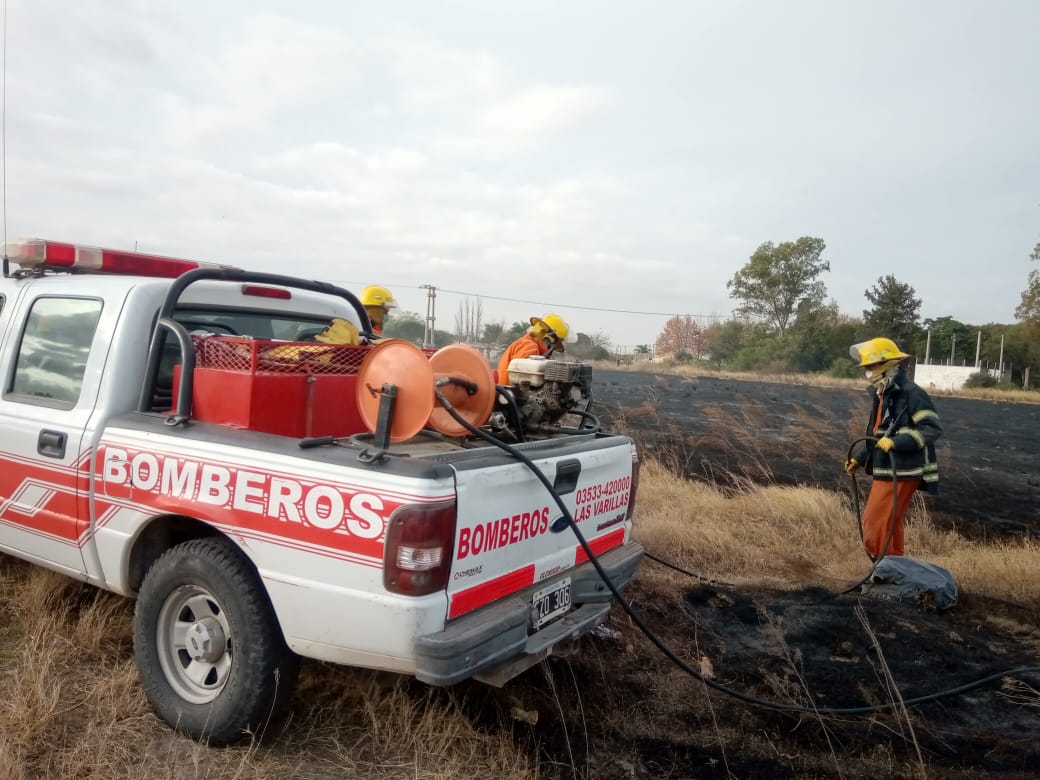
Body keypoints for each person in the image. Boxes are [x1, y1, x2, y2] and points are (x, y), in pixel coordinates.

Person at [844, 337, 942, 559]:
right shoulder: (883, 393)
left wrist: (898, 442)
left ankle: (885, 574)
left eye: (871, 366)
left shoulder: (910, 393)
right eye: (866, 367)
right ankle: (896, 572)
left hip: (903, 469)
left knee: (875, 522)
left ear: (887, 364)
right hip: (887, 468)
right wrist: (860, 458)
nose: (868, 372)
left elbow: (931, 428)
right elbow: (878, 434)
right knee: (888, 523)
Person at [497, 313, 574, 384]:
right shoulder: (529, 346)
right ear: (548, 339)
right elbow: (523, 380)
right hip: (511, 396)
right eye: (553, 346)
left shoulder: (526, 342)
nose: (552, 350)